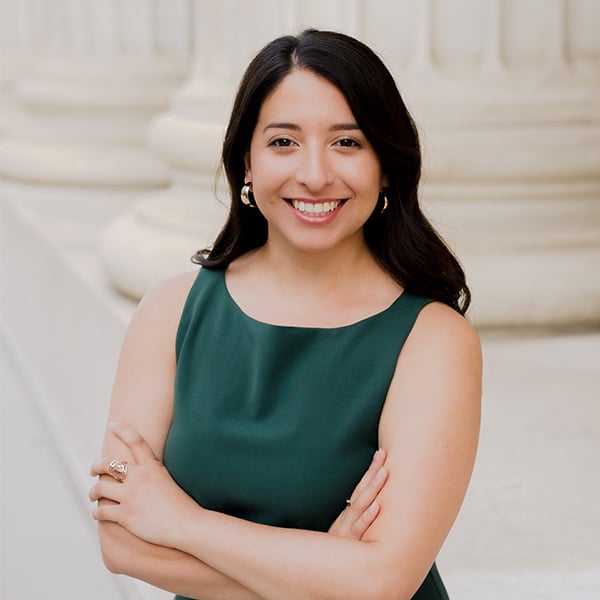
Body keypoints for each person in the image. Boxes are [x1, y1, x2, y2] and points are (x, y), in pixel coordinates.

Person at [89, 29, 481, 600]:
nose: (316, 174)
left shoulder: (433, 338)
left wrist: (182, 524)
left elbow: (382, 582)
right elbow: (120, 545)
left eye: (347, 143)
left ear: (387, 166)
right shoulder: (170, 312)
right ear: (246, 161)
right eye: (283, 143)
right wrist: (329, 571)